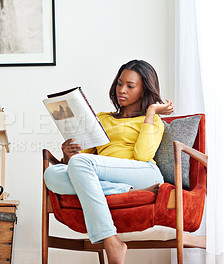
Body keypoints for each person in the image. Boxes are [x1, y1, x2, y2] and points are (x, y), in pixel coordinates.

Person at [44, 59, 174, 264]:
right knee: (51, 174)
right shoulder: (102, 118)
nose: (121, 90)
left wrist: (151, 112)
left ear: (143, 90)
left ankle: (111, 241)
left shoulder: (152, 120)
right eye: (119, 83)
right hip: (103, 173)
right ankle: (124, 191)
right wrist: (68, 153)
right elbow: (79, 160)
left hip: (143, 172)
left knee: (81, 164)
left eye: (130, 86)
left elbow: (142, 155)